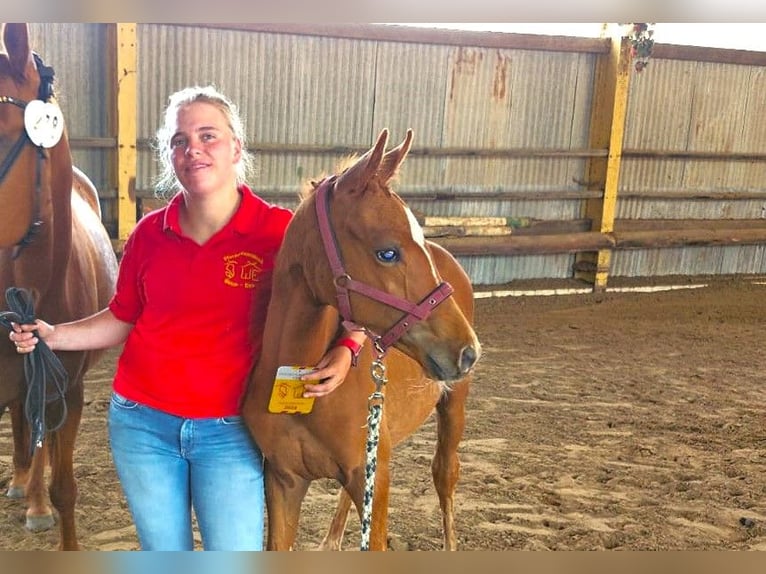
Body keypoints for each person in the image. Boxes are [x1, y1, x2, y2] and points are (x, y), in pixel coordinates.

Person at [7, 85, 366, 551]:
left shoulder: (281, 232)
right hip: (142, 427)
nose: (192, 149)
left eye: (207, 135)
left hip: (232, 430)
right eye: (179, 141)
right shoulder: (148, 236)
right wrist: (54, 335)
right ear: (169, 156)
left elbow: (350, 300)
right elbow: (122, 318)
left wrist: (348, 347)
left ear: (236, 147)